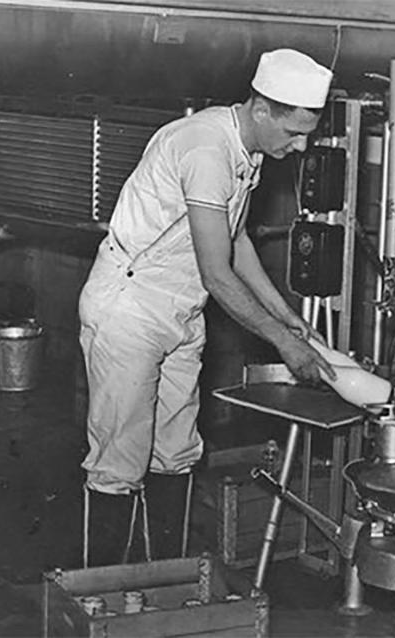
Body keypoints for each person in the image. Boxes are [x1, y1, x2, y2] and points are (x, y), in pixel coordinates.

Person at [77, 49, 337, 567]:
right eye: (295, 131)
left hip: (181, 309)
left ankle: (164, 586)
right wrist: (282, 342)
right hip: (132, 306)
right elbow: (218, 272)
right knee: (120, 461)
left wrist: (287, 316)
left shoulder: (251, 150)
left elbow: (236, 240)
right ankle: (99, 600)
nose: (302, 144)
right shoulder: (205, 148)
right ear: (262, 109)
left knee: (176, 452)